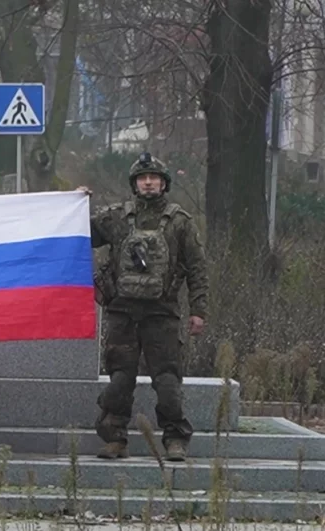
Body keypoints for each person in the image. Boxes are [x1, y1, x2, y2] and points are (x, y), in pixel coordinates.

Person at [77, 152, 209, 462]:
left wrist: (198, 310)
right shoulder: (115, 218)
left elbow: (197, 269)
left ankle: (175, 439)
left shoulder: (180, 223)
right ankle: (114, 439)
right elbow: (80, 234)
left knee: (167, 381)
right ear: (134, 184)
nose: (148, 182)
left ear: (164, 183)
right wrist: (79, 204)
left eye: (154, 178)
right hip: (122, 313)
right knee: (120, 380)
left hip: (162, 314)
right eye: (142, 178)